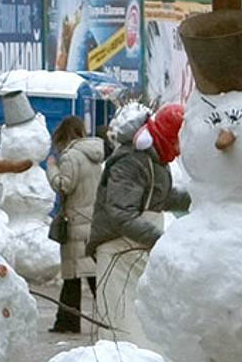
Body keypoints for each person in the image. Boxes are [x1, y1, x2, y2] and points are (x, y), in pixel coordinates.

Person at [86, 102, 190, 346]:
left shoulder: (154, 158)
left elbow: (158, 196)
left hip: (137, 245)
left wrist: (200, 197)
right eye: (178, 142)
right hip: (118, 249)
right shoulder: (131, 161)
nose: (179, 150)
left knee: (143, 322)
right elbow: (121, 214)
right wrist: (159, 240)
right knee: (122, 326)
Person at [45, 115, 104, 333]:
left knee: (78, 273)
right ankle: (69, 320)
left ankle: (69, 322)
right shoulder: (94, 155)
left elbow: (64, 185)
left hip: (76, 220)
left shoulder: (71, 156)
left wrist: (52, 168)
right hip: (90, 218)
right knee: (84, 273)